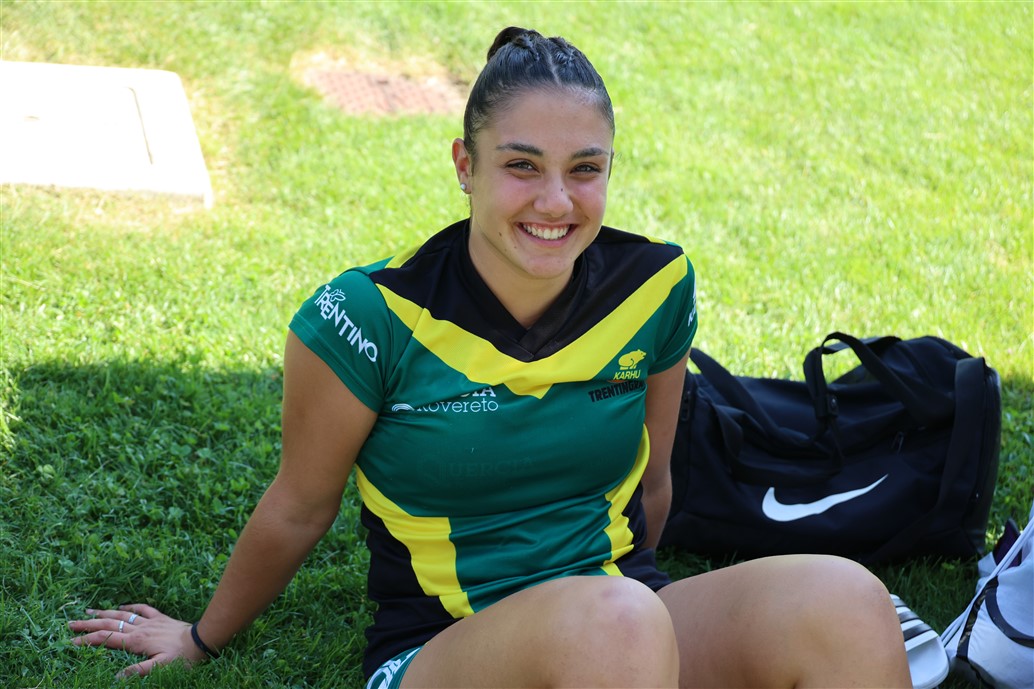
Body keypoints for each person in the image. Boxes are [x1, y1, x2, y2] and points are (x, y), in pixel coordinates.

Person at [69, 27, 911, 688]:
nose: (557, 200)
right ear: (465, 166)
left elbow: (653, 481)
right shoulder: (370, 315)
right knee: (615, 621)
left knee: (846, 601)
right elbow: (298, 505)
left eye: (586, 169)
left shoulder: (656, 286)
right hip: (445, 645)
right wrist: (201, 636)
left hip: (627, 621)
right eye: (522, 166)